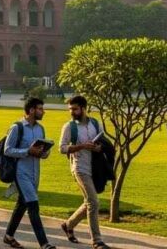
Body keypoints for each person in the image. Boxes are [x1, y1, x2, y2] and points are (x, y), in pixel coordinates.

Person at [58, 96, 110, 249]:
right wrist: (81, 146)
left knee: (89, 202)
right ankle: (97, 241)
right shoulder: (69, 127)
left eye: (74, 109)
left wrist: (98, 147)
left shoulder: (95, 123)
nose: (71, 112)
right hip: (80, 168)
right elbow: (62, 148)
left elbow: (102, 142)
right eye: (70, 109)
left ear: (83, 108)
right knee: (94, 202)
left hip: (94, 167)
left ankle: (68, 225)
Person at [2, 97, 54, 249]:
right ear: (31, 110)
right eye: (40, 109)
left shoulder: (40, 128)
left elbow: (42, 153)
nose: (43, 111)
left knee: (22, 205)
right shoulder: (17, 127)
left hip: (35, 173)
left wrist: (44, 153)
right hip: (20, 173)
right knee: (33, 205)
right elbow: (7, 150)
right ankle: (44, 243)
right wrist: (27, 151)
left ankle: (8, 236)